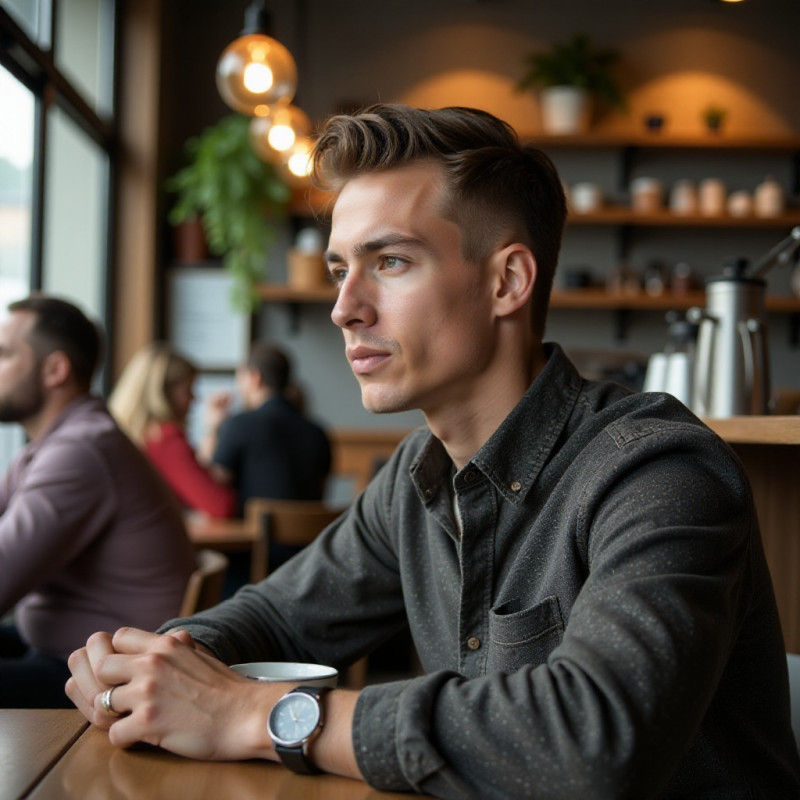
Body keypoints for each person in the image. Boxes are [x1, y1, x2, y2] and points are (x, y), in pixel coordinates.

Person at [66, 105, 800, 798]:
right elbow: (277, 619)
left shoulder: (659, 470)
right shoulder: (417, 481)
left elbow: (594, 740)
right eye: (338, 268)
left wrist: (261, 715)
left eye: (389, 261)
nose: (344, 307)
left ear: (506, 280)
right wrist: (157, 667)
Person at [0, 295, 196, 708]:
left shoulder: (80, 451)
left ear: (55, 369)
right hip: (61, 649)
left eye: (4, 354)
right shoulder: (55, 444)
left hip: (98, 679)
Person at [198, 341, 332, 515]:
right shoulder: (319, 433)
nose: (239, 387)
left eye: (240, 378)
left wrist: (212, 428)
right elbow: (320, 494)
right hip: (310, 540)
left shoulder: (239, 425)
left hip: (249, 539)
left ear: (255, 377)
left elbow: (210, 487)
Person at [109, 342, 236, 519]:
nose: (194, 398)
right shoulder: (164, 439)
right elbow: (220, 505)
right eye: (188, 390)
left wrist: (212, 428)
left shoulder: (131, 434)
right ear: (163, 393)